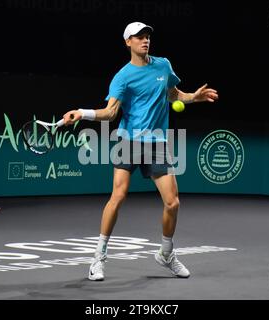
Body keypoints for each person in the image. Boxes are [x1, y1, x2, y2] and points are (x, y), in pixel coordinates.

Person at [63, 22, 219, 280]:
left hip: (157, 142)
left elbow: (173, 94)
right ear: (128, 42)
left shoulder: (163, 65)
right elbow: (111, 112)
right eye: (139, 37)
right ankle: (98, 258)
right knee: (119, 195)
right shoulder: (123, 77)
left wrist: (193, 97)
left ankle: (166, 254)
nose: (145, 40)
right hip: (129, 141)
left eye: (147, 37)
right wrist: (83, 113)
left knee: (172, 202)